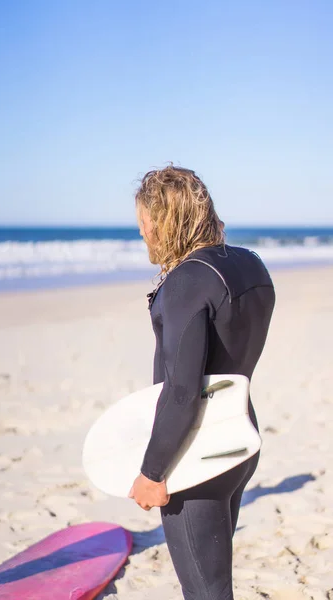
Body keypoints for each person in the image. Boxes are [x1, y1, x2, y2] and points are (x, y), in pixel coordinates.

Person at [128, 165, 275, 600]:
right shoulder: (250, 264)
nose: (142, 234)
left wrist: (152, 472)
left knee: (207, 593)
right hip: (240, 438)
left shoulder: (187, 282)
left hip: (196, 457)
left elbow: (182, 391)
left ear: (165, 220)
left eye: (145, 223)